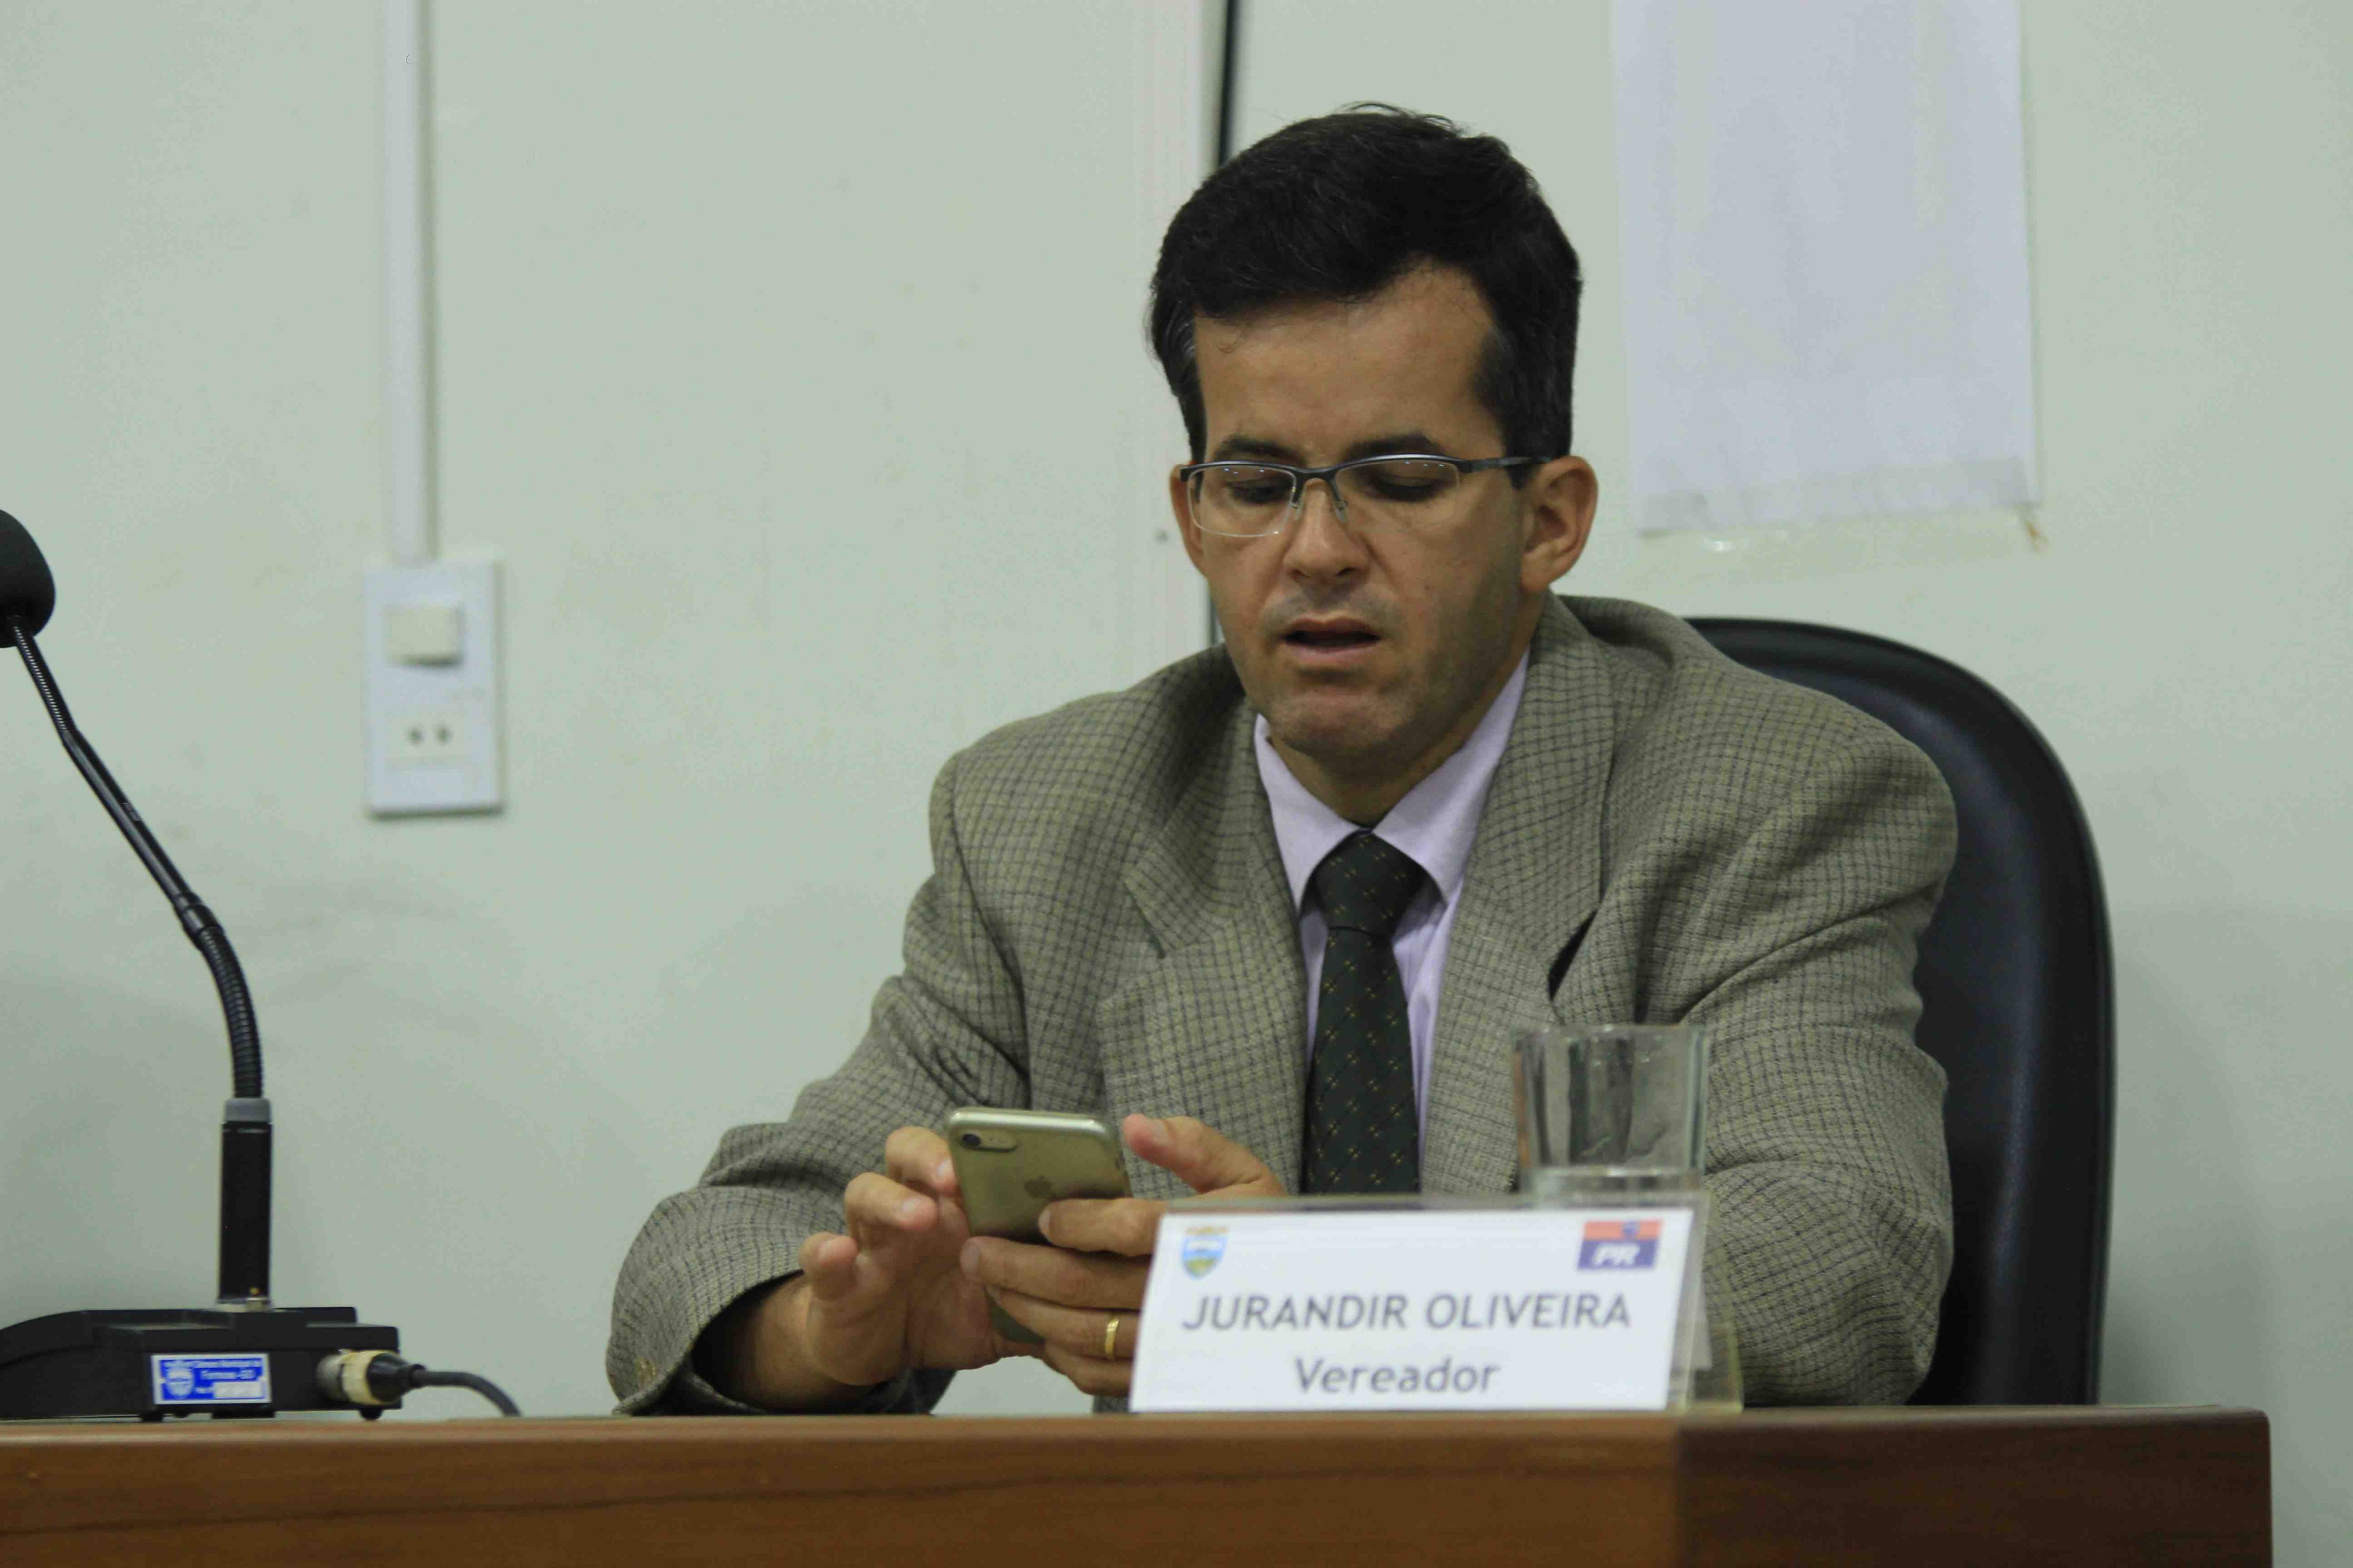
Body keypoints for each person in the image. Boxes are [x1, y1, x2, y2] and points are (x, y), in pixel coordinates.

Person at [608, 106, 1955, 1414]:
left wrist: (1301, 1304)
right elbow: (696, 1260)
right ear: (1194, 517)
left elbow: (1833, 1261)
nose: (1316, 551)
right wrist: (832, 1330)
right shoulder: (1047, 821)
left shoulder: (1773, 799)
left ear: (1549, 519)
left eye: (1400, 478)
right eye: (1256, 487)